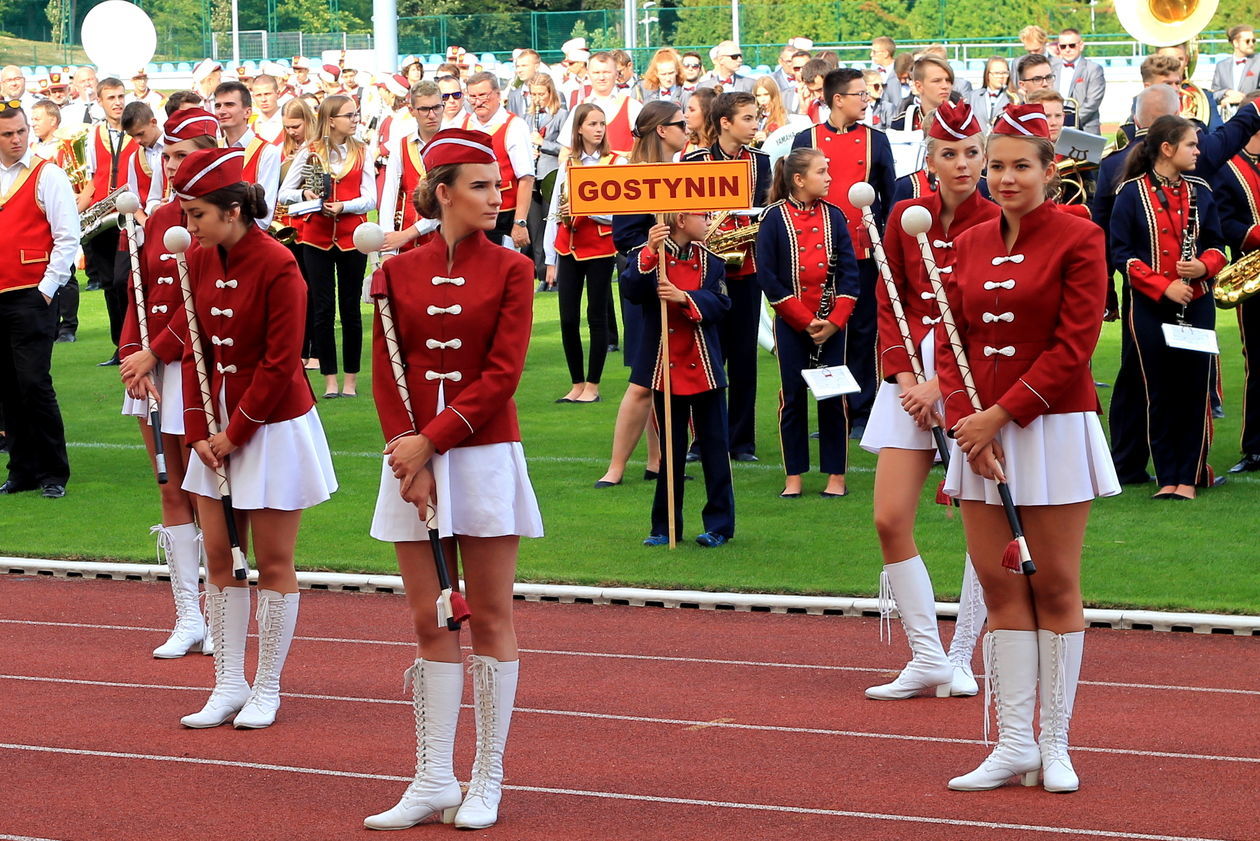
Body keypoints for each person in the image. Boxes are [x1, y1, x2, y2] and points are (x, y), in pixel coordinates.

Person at [363, 127, 541, 832]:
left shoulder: (512, 269)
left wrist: (430, 442)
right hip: (409, 460)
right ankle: (434, 774)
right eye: (481, 186)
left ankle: (488, 775)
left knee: (490, 614)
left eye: (498, 185)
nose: (498, 197)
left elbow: (503, 374)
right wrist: (405, 454)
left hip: (483, 453)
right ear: (443, 192)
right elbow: (388, 369)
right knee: (430, 616)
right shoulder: (395, 271)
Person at [939, 104, 1118, 794]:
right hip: (979, 432)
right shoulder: (971, 238)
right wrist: (967, 423)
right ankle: (1013, 743)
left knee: (1056, 584)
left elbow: (1074, 346)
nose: (1006, 177)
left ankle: (1056, 744)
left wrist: (999, 416)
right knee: (999, 587)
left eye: (1021, 166)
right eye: (997, 165)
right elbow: (953, 344)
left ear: (1050, 169)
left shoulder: (1080, 236)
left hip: (1050, 427)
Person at [174, 146, 337, 729]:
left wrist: (235, 434)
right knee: (217, 554)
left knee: (271, 560)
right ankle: (227, 683)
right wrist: (199, 428)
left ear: (234, 209)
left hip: (270, 424)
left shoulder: (278, 263)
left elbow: (280, 362)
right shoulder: (198, 258)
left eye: (197, 214)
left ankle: (267, 685)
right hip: (216, 418)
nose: (190, 226)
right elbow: (193, 347)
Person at [862, 101, 999, 701]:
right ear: (930, 157)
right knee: (889, 517)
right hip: (908, 376)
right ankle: (926, 656)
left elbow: (989, 318)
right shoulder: (901, 213)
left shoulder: (998, 216)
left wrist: (942, 385)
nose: (963, 164)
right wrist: (901, 375)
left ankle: (964, 655)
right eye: (950, 153)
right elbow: (888, 297)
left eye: (973, 153)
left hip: (975, 377)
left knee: (982, 526)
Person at [117, 106, 220, 659]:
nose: (174, 166)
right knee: (169, 488)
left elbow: (202, 305)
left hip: (194, 369)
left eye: (185, 156)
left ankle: (223, 611)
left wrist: (157, 351)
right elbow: (139, 294)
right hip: (151, 369)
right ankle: (188, 616)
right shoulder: (157, 217)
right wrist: (134, 355)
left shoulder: (220, 221)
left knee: (209, 492)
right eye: (171, 156)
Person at [1111, 114, 1229, 500]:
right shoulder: (1130, 193)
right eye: (1192, 145)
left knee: (1194, 390)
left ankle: (1190, 477)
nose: (1198, 151)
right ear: (1167, 148)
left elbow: (1217, 246)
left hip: (1196, 304)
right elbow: (1122, 255)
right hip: (1150, 307)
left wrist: (1202, 266)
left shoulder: (1201, 191)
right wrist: (1164, 287)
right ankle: (1167, 476)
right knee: (1158, 391)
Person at [793, 67, 896, 439]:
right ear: (838, 99)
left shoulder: (876, 140)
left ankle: (863, 409)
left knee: (864, 331)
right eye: (860, 95)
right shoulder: (806, 139)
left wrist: (883, 246)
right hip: (817, 254)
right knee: (824, 332)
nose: (866, 101)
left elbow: (889, 199)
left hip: (864, 253)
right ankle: (831, 411)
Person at [623, 211, 733, 547]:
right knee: (670, 453)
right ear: (683, 220)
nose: (710, 220)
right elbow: (631, 289)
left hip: (704, 366)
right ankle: (664, 527)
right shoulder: (647, 256)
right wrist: (648, 252)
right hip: (664, 366)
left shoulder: (713, 261)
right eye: (704, 216)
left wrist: (685, 298)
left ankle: (719, 526)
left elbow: (722, 303)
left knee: (715, 450)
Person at [757, 147, 859, 499]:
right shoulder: (772, 218)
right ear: (799, 180)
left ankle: (836, 476)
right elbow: (768, 278)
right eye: (822, 171)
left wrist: (833, 321)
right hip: (791, 324)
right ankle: (794, 475)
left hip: (832, 324)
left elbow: (849, 274)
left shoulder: (836, 216)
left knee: (833, 398)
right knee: (793, 398)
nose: (829, 177)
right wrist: (803, 320)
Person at [596, 102, 687, 488]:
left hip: (682, 282)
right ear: (663, 131)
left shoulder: (686, 172)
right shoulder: (631, 176)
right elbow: (623, 238)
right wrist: (652, 244)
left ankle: (657, 460)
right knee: (643, 379)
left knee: (665, 378)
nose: (688, 129)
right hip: (645, 280)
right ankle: (616, 467)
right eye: (681, 124)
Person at [685, 91, 771, 461]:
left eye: (756, 118)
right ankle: (703, 439)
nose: (755, 125)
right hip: (703, 269)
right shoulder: (694, 161)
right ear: (725, 123)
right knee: (705, 357)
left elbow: (764, 212)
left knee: (743, 359)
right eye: (748, 118)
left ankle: (741, 441)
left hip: (746, 268)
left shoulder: (762, 162)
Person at [0, 98, 78, 500]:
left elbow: (67, 236)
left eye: (21, 131)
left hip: (32, 295)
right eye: (8, 134)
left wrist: (47, 289)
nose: (17, 140)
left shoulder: (48, 175)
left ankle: (53, 471)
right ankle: (22, 469)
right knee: (8, 388)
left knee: (34, 383)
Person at [279, 93, 376, 399]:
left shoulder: (362, 150)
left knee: (350, 310)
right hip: (315, 238)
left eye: (356, 114)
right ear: (331, 120)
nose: (355, 119)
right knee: (321, 309)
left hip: (352, 238)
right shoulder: (310, 150)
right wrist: (306, 196)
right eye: (349, 115)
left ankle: (350, 379)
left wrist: (344, 206)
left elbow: (371, 196)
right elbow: (284, 193)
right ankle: (330, 380)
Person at [544, 104, 623, 405]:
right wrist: (549, 259)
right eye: (592, 124)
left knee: (597, 316)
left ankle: (594, 384)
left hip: (601, 247)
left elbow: (622, 213)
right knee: (567, 318)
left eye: (602, 123)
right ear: (579, 128)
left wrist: (589, 209)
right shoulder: (569, 163)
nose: (599, 129)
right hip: (568, 246)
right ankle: (576, 382)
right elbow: (554, 209)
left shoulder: (616, 162)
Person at [1214, 92, 1260, 473]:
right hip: (1253, 273)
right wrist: (1255, 235)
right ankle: (1256, 446)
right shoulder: (1227, 167)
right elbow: (1223, 222)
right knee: (1259, 361)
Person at [81, 77, 136, 366]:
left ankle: (130, 342)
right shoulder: (92, 135)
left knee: (122, 281)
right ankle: (119, 345)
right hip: (101, 220)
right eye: (111, 97)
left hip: (128, 219)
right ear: (100, 103)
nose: (117, 102)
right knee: (108, 285)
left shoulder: (136, 132)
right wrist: (76, 213)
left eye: (120, 96)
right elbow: (93, 179)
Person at [456, 72, 535, 251]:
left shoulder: (514, 126)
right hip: (469, 216)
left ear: (497, 95)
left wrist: (520, 223)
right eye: (473, 97)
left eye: (483, 95)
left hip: (503, 217)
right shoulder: (463, 125)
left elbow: (526, 178)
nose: (478, 102)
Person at [380, 81, 444, 255]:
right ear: (411, 111)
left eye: (437, 107)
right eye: (424, 109)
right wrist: (388, 246)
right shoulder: (402, 145)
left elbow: (451, 205)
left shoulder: (455, 143)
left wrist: (407, 234)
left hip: (446, 239)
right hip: (408, 241)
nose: (432, 115)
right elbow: (390, 194)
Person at [214, 80, 281, 228]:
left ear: (248, 112)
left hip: (249, 240)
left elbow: (264, 217)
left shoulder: (267, 152)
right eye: (218, 106)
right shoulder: (212, 149)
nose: (221, 111)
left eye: (229, 105)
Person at [524, 73, 567, 288]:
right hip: (533, 176)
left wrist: (543, 144)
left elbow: (566, 147)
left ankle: (556, 273)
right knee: (535, 228)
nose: (537, 98)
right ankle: (543, 275)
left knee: (552, 224)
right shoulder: (528, 116)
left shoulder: (561, 115)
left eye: (541, 94)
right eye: (533, 94)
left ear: (551, 93)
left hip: (551, 175)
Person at [558, 52, 642, 157]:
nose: (601, 77)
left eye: (606, 72)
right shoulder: (578, 109)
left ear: (616, 74)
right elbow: (565, 152)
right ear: (588, 75)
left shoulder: (633, 107)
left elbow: (646, 148)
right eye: (596, 72)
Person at [1052, 29, 1105, 135]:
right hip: (1054, 129)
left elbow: (1092, 103)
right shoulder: (1050, 68)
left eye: (1072, 45)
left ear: (1081, 45)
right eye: (1063, 46)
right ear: (1058, 47)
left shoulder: (1094, 69)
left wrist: (1067, 122)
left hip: (1085, 129)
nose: (1067, 50)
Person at [890, 55, 954, 132]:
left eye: (948, 80)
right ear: (919, 86)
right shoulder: (903, 123)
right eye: (937, 81)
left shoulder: (964, 121)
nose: (945, 86)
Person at [121, 101, 163, 214]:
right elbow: (134, 202)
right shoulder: (134, 159)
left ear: (153, 122)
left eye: (140, 134)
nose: (137, 141)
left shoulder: (175, 148)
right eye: (132, 136)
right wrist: (146, 223)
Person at [1212, 25, 1259, 114]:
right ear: (1235, 43)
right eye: (1247, 41)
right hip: (1227, 117)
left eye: (1253, 41)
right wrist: (1227, 93)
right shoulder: (1221, 66)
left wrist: (1244, 99)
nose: (1251, 44)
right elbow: (1214, 93)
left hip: (1253, 116)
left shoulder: (1258, 61)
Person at [971, 57, 1013, 129]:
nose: (1001, 76)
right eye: (996, 73)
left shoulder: (1014, 98)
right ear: (987, 75)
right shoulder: (972, 96)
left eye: (1004, 73)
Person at [250, 74, 285, 144]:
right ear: (253, 97)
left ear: (278, 93)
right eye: (258, 95)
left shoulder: (290, 120)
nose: (263, 99)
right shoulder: (251, 127)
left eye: (267, 94)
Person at [752, 76, 788, 145]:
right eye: (758, 96)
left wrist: (768, 138)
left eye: (766, 95)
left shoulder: (784, 116)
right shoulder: (755, 115)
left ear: (773, 94)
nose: (762, 99)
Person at [682, 86, 717, 156]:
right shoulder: (686, 146)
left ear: (707, 112)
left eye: (692, 110)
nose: (686, 115)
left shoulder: (723, 148)